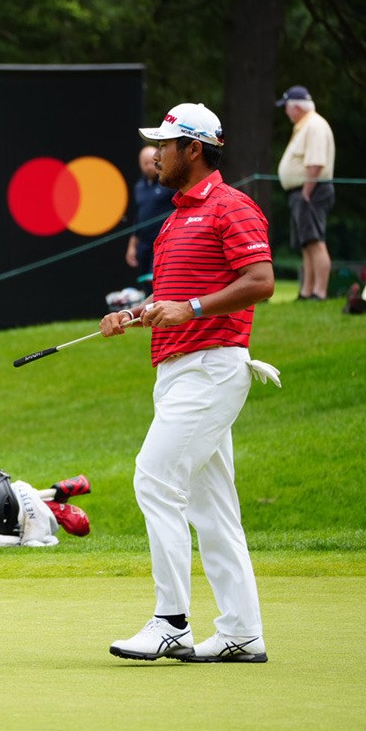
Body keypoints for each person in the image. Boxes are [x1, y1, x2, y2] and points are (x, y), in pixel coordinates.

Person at [100, 102, 277, 664]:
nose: (156, 153)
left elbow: (262, 281)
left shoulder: (232, 207)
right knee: (213, 507)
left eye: (166, 144)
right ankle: (241, 632)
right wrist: (137, 314)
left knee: (154, 478)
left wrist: (192, 308)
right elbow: (172, 301)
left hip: (212, 366)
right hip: (177, 369)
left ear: (194, 149)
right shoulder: (175, 217)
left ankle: (171, 621)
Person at [276, 85, 336, 300]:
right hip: (305, 190)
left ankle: (319, 292)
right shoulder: (305, 126)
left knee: (315, 240)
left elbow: (316, 162)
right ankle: (307, 291)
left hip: (312, 190)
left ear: (297, 107)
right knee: (306, 242)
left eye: (287, 107)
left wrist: (307, 193)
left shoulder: (314, 125)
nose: (285, 112)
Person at [125, 145, 176, 288]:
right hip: (144, 244)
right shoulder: (139, 187)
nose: (149, 167)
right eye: (145, 163)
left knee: (157, 280)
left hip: (163, 241)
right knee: (145, 282)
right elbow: (139, 216)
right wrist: (132, 245)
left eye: (152, 162)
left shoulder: (169, 183)